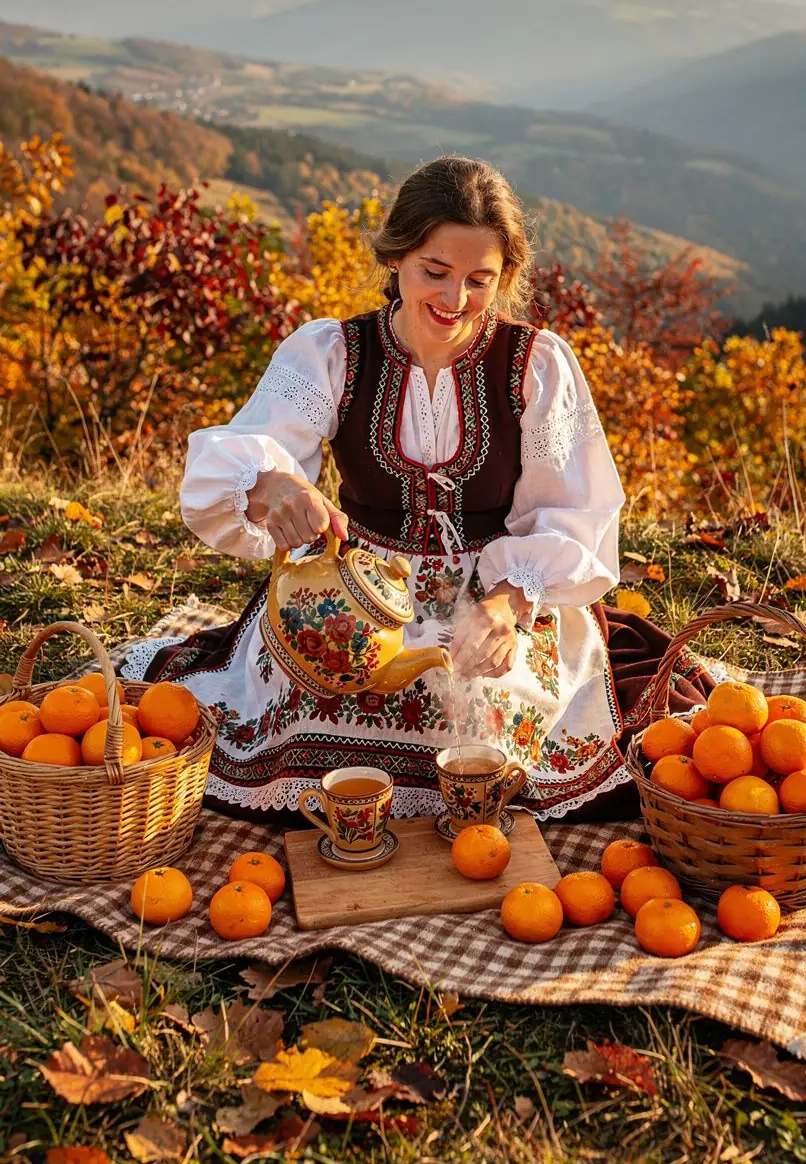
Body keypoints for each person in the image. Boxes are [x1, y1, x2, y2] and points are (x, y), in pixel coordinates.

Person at [122, 156, 712, 822]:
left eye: (479, 280)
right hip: (357, 593)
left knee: (485, 701)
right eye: (436, 272)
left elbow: (575, 511)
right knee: (315, 691)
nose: (454, 300)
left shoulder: (536, 365)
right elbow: (240, 456)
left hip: (496, 596)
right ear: (397, 257)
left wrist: (510, 599)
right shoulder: (333, 355)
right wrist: (267, 484)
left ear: (505, 279)